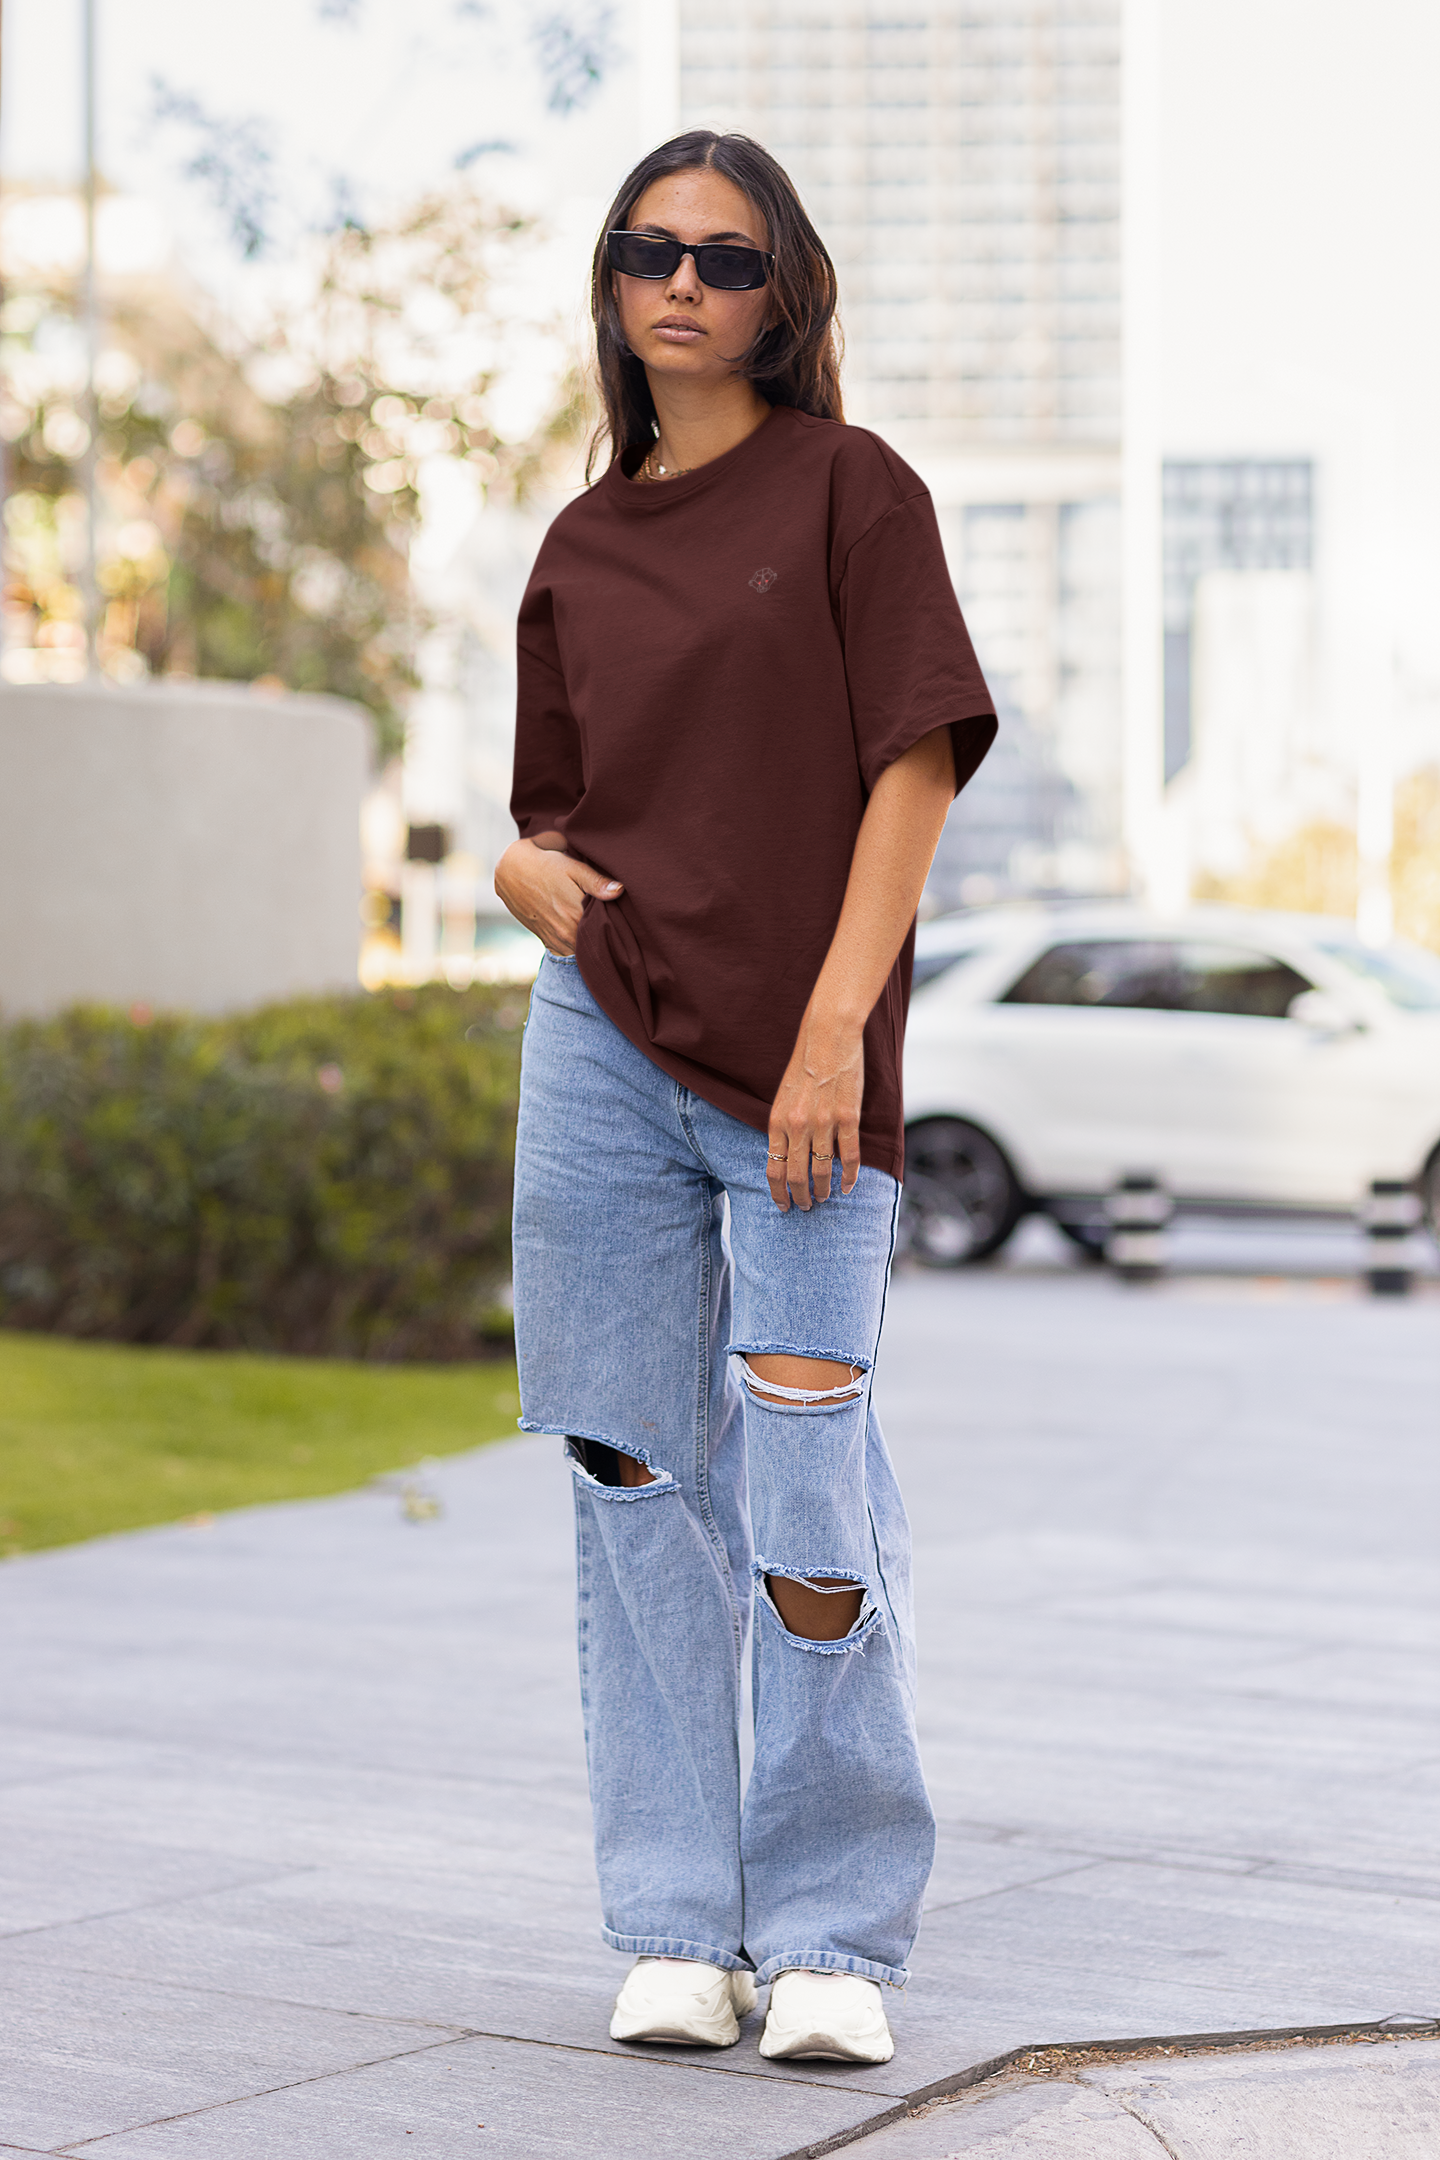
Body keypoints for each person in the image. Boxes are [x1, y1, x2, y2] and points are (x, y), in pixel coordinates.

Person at [496, 130, 996, 2067]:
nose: (684, 282)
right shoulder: (582, 540)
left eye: (727, 255)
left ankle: (839, 1937)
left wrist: (832, 1035)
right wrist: (513, 876)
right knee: (630, 1473)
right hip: (600, 1040)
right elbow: (553, 811)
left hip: (805, 1064)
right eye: (649, 251)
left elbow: (916, 765)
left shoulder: (856, 492)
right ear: (614, 288)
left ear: (788, 294)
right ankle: (677, 1925)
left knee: (804, 1485)